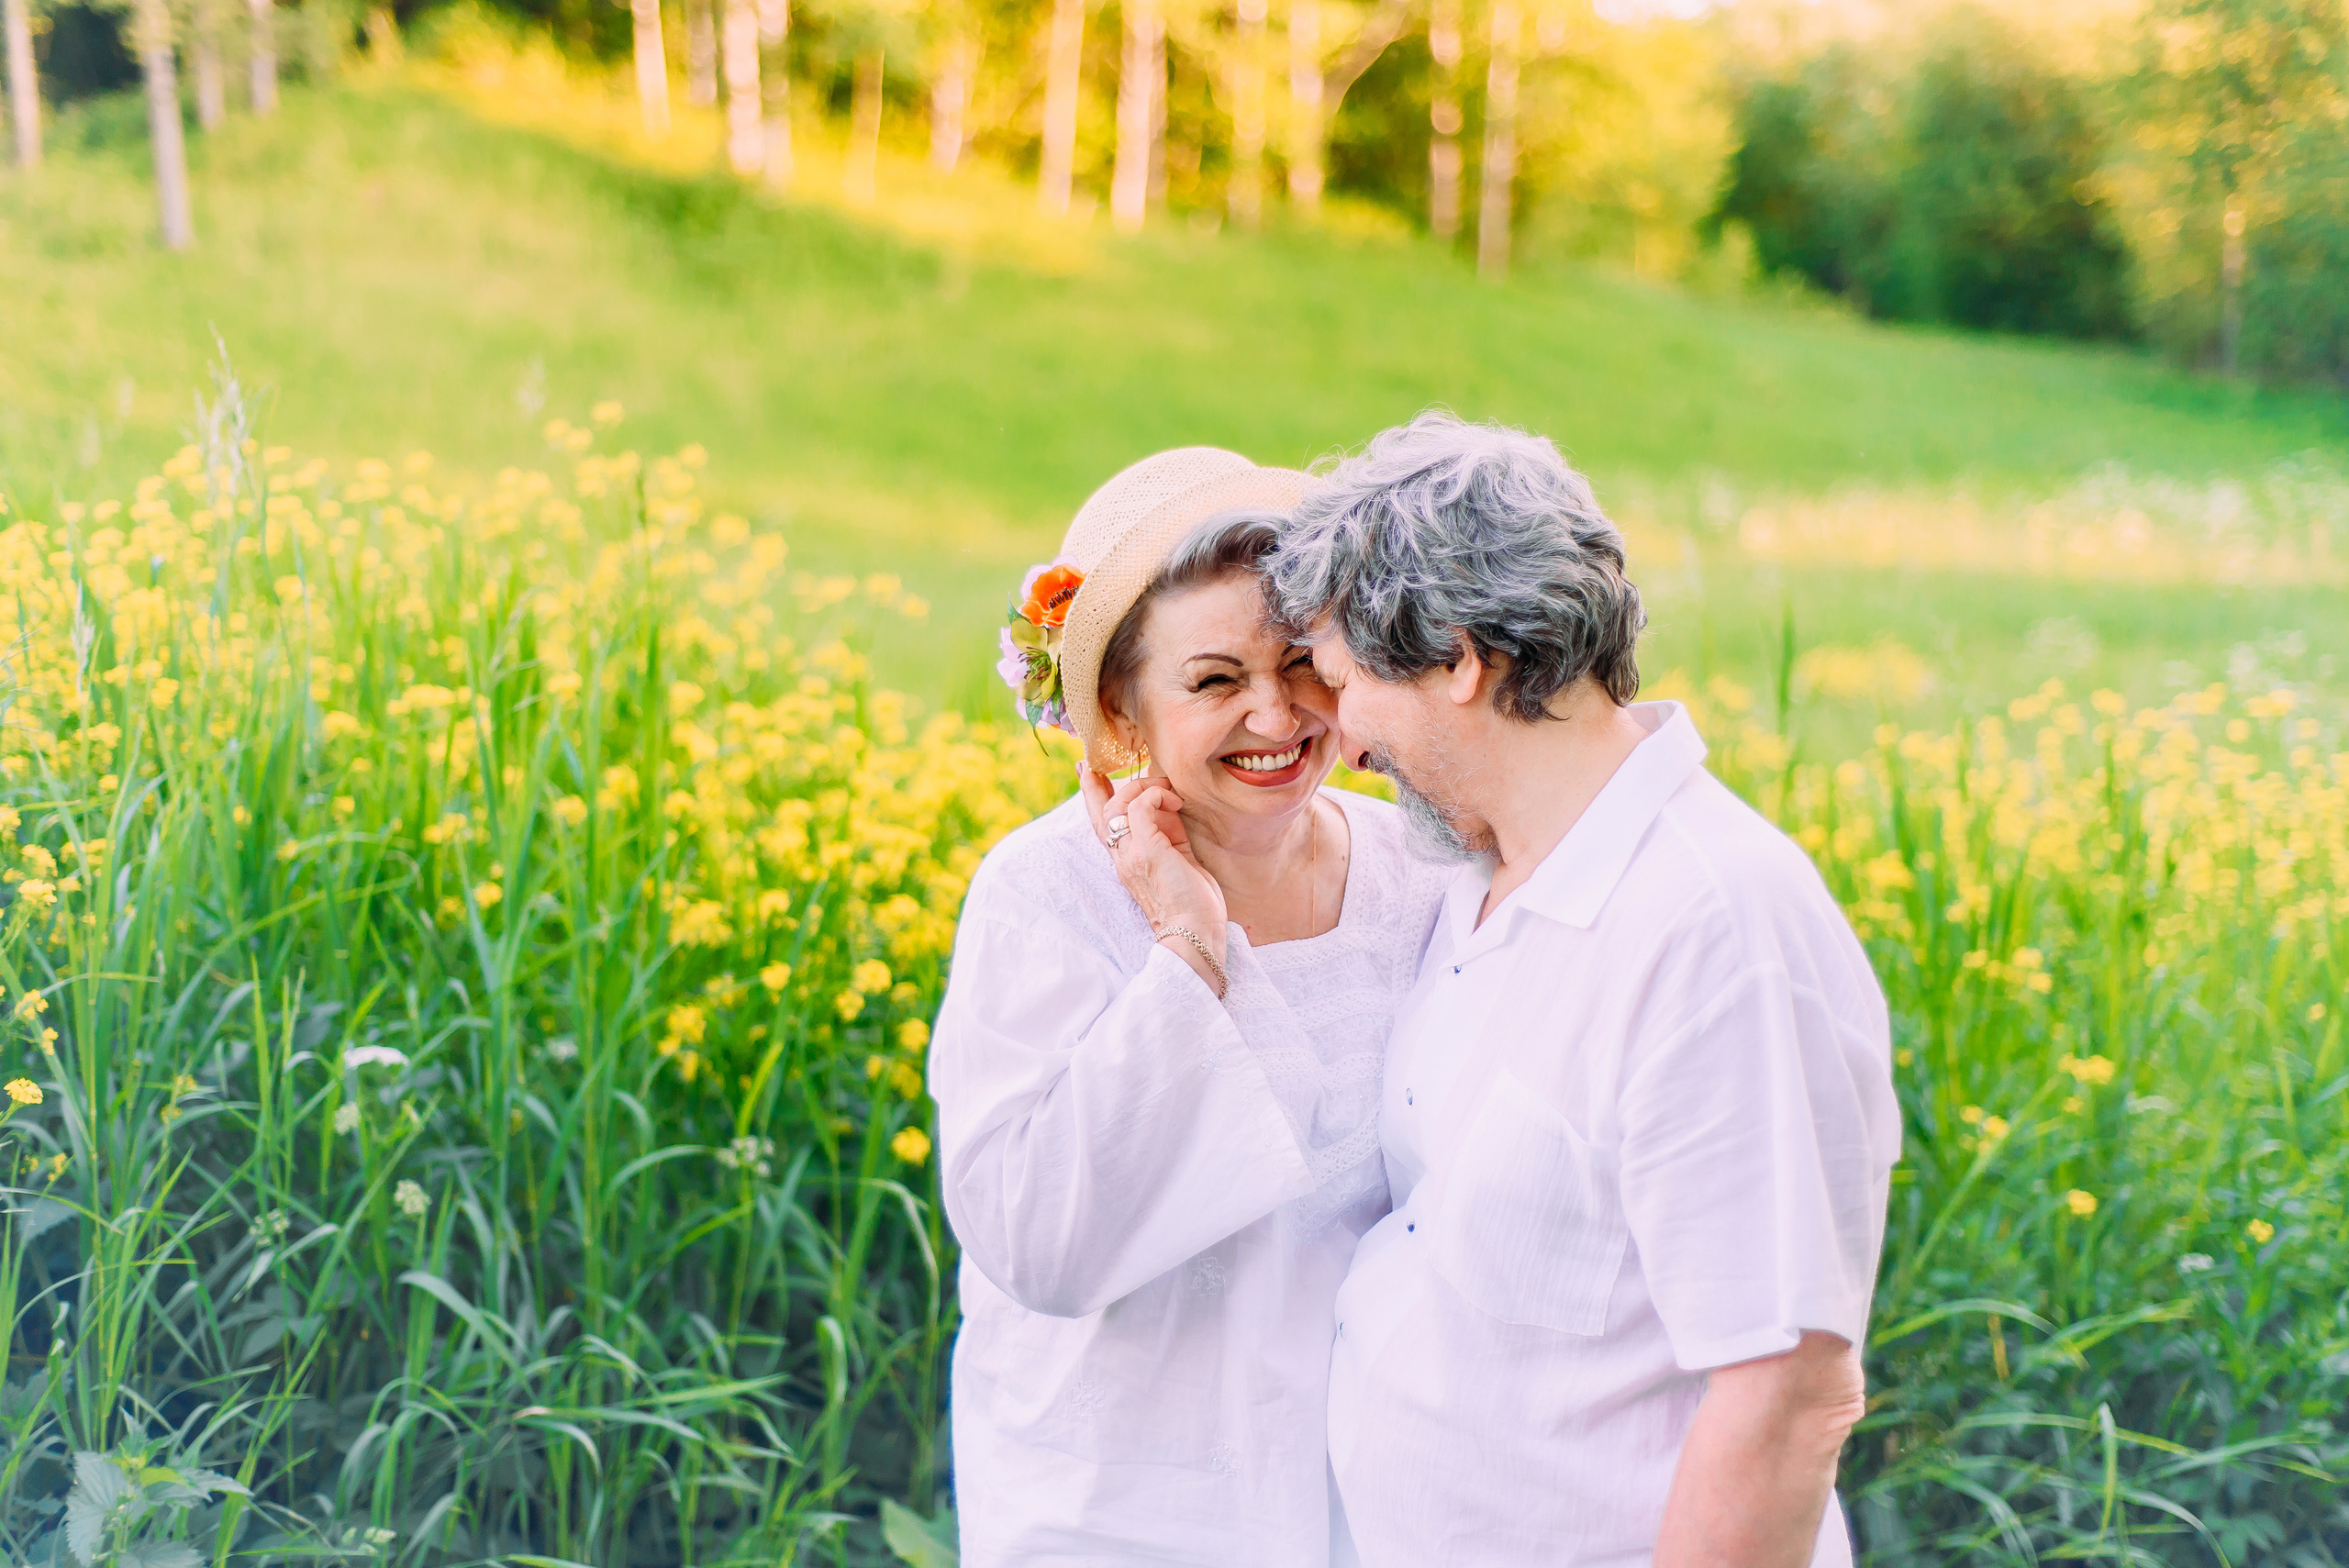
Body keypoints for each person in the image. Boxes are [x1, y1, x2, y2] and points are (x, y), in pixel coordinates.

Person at [1265, 411, 1902, 1568]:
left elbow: (1787, 1394)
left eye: (1346, 681)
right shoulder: (1471, 879)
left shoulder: (1712, 926)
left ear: (1458, 657)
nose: (1341, 737)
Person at [930, 448, 1449, 1566]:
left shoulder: (1422, 873)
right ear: (1120, 708)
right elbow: (1038, 1242)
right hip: (1118, 1511)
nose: (1275, 712)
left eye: (1300, 663)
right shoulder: (1042, 894)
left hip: (1365, 1504)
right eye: (1213, 680)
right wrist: (1187, 951)